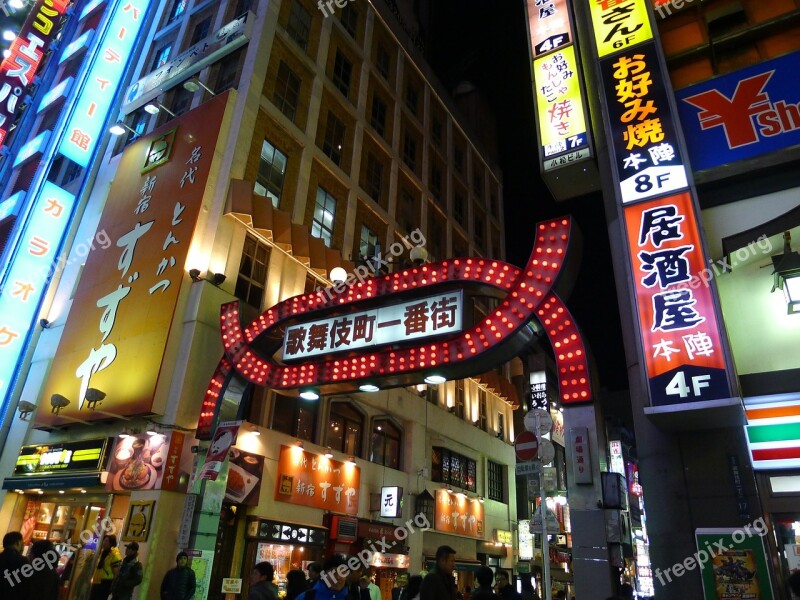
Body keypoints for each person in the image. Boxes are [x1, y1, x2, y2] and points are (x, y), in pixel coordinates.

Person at [91, 534, 122, 600]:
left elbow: (116, 573)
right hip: (97, 581)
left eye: (106, 541)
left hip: (106, 582)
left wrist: (113, 586)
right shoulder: (103, 552)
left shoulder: (114, 555)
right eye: (103, 540)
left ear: (111, 543)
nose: (103, 543)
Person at [0, 531, 31, 599]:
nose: (23, 546)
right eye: (23, 543)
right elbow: (27, 586)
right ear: (18, 543)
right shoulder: (23, 561)